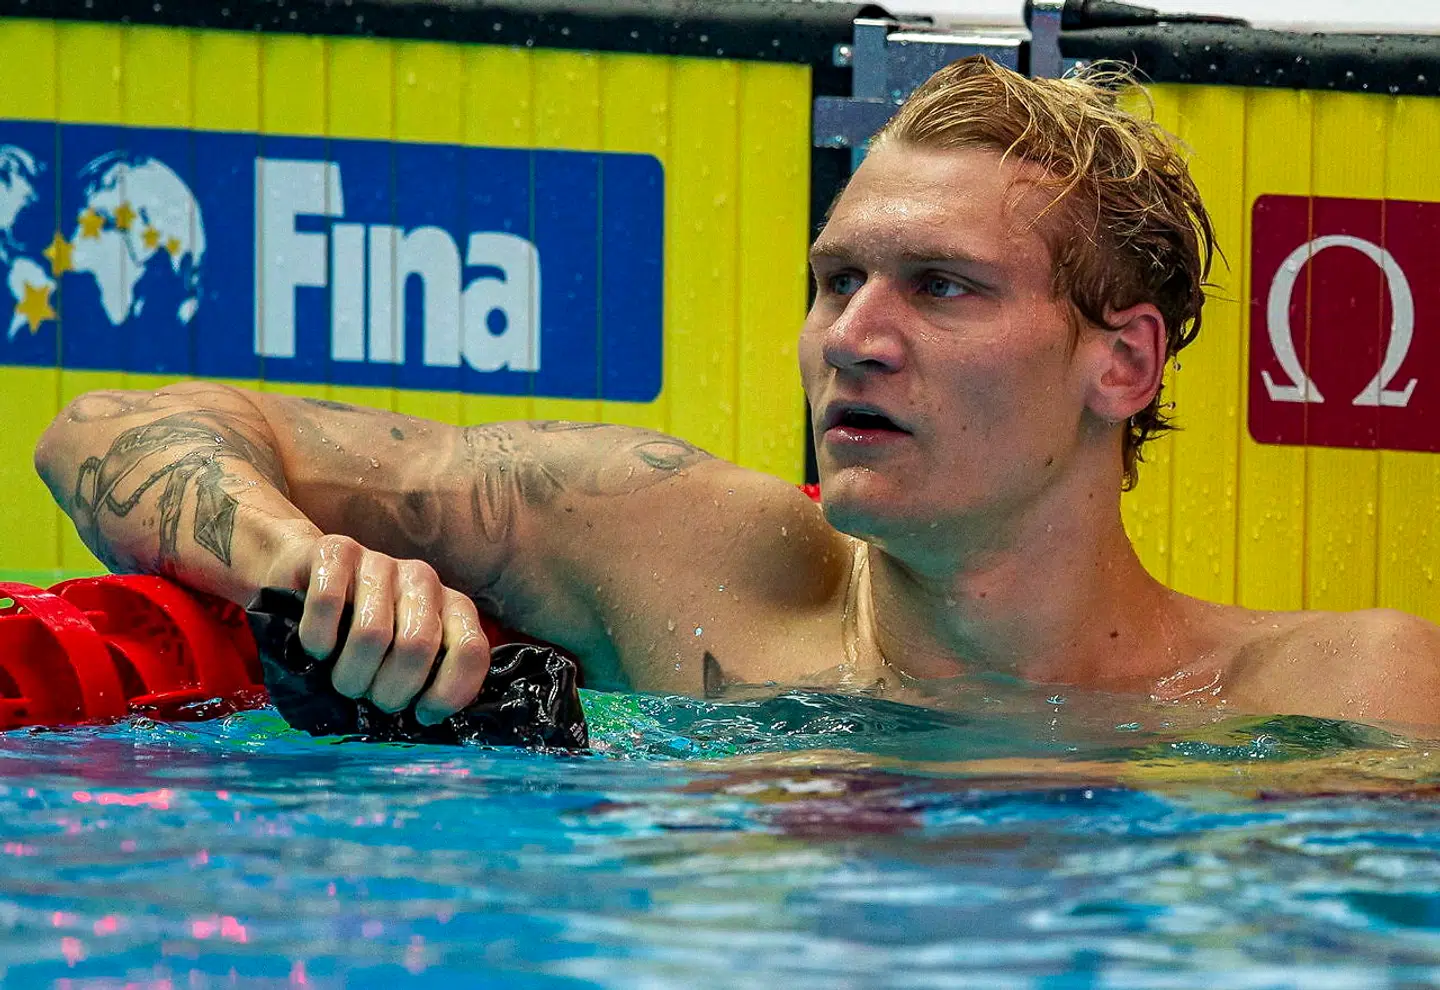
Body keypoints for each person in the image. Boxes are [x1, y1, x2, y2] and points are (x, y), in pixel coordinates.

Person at [33, 57, 1440, 729]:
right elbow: (99, 427)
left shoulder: (1341, 690)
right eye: (837, 282)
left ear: (1118, 361)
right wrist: (318, 575)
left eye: (941, 287)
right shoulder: (685, 553)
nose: (853, 336)